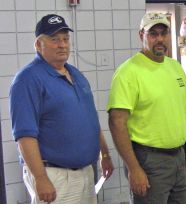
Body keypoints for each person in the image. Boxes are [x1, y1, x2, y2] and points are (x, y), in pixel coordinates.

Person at [107, 12, 186, 204]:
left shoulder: (174, 67)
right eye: (153, 34)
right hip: (148, 159)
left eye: (164, 33)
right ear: (141, 36)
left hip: (178, 157)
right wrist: (134, 168)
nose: (160, 39)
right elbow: (116, 122)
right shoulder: (128, 72)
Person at [9, 14, 114, 204]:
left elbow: (91, 121)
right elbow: (25, 136)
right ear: (38, 45)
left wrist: (104, 154)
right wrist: (40, 179)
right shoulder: (28, 79)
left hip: (85, 173)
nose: (62, 44)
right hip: (54, 176)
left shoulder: (76, 75)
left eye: (65, 39)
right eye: (54, 39)